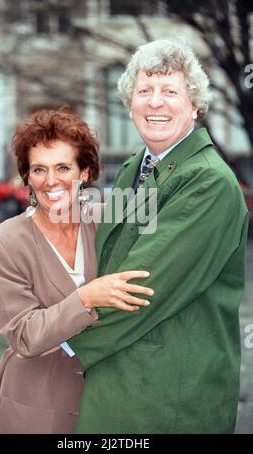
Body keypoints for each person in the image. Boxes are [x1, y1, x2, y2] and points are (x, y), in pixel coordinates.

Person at [67, 39, 249, 434]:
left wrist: (62, 346)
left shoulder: (207, 181)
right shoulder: (138, 165)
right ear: (129, 103)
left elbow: (139, 286)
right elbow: (105, 249)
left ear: (195, 106)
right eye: (144, 90)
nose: (155, 102)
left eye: (170, 91)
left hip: (170, 392)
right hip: (122, 375)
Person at [0, 109, 153, 434]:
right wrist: (87, 298)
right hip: (35, 403)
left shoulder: (107, 220)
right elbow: (25, 336)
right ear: (27, 177)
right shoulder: (3, 243)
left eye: (63, 167)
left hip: (107, 397)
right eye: (39, 169)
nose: (51, 181)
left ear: (85, 172)